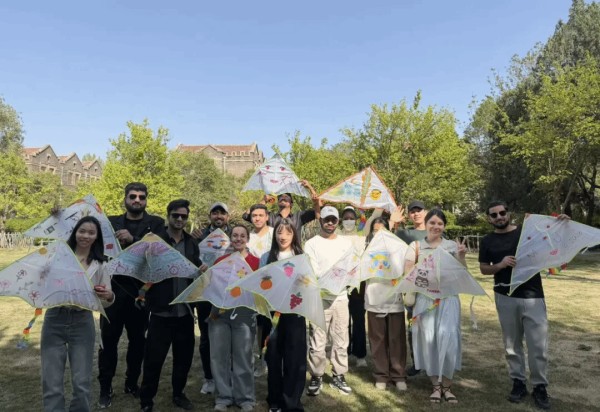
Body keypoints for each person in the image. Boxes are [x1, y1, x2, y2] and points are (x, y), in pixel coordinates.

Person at [479, 201, 569, 410]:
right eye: (494, 215)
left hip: (532, 296)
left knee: (538, 345)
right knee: (512, 345)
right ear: (489, 219)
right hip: (504, 296)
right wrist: (500, 265)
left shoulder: (526, 232)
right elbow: (484, 268)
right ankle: (518, 383)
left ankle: (539, 386)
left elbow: (552, 236)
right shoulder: (487, 241)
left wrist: (562, 222)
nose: (499, 217)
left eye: (502, 212)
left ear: (508, 213)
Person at [99, 182, 166, 408]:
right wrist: (58, 215)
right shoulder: (110, 222)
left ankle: (131, 382)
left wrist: (134, 241)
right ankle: (105, 387)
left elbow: (159, 252)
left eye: (141, 197)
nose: (137, 200)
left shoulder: (156, 223)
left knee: (138, 342)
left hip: (141, 292)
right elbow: (83, 231)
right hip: (112, 292)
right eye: (133, 196)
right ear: (125, 198)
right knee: (108, 342)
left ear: (146, 200)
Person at [41, 216, 115, 412]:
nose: (86, 236)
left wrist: (108, 296)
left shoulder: (100, 264)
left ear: (97, 237)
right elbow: (42, 283)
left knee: (81, 383)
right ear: (75, 233)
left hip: (82, 321)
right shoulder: (58, 257)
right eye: (82, 231)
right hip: (54, 319)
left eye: (91, 232)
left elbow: (106, 299)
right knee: (51, 381)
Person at [139, 199, 200, 412]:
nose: (180, 219)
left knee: (183, 359)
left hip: (184, 312)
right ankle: (147, 400)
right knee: (153, 360)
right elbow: (143, 268)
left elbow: (194, 269)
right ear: (168, 216)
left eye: (184, 216)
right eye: (176, 215)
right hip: (161, 311)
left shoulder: (191, 243)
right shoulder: (155, 241)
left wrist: (200, 271)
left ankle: (178, 394)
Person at [403, 209, 466, 404]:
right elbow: (408, 274)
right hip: (425, 300)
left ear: (444, 226)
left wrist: (461, 256)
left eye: (440, 223)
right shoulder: (415, 246)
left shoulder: (452, 246)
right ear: (426, 224)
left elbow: (462, 274)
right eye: (432, 223)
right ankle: (436, 387)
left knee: (449, 339)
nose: (436, 226)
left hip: (448, 299)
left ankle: (447, 386)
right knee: (428, 340)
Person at [210, 224, 260, 412]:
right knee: (219, 356)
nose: (238, 239)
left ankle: (245, 398)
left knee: (243, 356)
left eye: (242, 235)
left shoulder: (257, 263)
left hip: (244, 314)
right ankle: (223, 397)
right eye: (235, 235)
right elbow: (212, 288)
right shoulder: (220, 261)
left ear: (248, 239)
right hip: (220, 313)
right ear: (230, 238)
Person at [305, 206, 353, 396]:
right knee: (317, 339)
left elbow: (350, 268)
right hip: (319, 297)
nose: (330, 223)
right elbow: (313, 270)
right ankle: (316, 375)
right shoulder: (312, 244)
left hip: (341, 297)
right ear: (321, 221)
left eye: (333, 219)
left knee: (341, 338)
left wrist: (342, 280)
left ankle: (339, 375)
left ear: (337, 221)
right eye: (327, 219)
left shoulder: (346, 243)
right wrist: (331, 279)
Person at [262, 219, 307, 412]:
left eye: (288, 232)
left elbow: (308, 285)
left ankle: (291, 402)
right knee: (273, 357)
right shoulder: (267, 256)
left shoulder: (301, 256)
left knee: (294, 359)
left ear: (294, 235)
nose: (283, 236)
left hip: (295, 313)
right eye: (280, 232)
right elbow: (261, 283)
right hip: (272, 313)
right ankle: (274, 401)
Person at [191, 202, 232, 394]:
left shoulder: (235, 235)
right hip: (206, 294)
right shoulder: (199, 236)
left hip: (228, 294)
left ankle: (227, 375)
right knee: (206, 337)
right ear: (210, 217)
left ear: (227, 217)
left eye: (222, 213)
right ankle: (209, 378)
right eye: (215, 213)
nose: (218, 216)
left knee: (229, 337)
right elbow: (192, 260)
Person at [364, 217, 408, 392]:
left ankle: (398, 375)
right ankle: (381, 375)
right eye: (375, 231)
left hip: (394, 300)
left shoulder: (398, 248)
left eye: (383, 230)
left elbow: (408, 268)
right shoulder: (366, 249)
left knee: (397, 339)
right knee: (378, 339)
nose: (379, 234)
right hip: (374, 299)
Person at [390, 200, 428, 376]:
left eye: (419, 210)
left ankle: (433, 361)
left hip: (432, 289)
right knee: (414, 326)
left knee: (432, 326)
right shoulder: (404, 234)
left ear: (426, 212)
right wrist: (392, 222)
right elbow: (386, 241)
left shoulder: (435, 231)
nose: (416, 214)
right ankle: (417, 362)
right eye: (413, 211)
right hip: (412, 288)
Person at [338, 206, 367, 368]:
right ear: (341, 220)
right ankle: (344, 351)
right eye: (346, 218)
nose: (349, 221)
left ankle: (360, 354)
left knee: (358, 319)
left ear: (356, 220)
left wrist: (362, 207)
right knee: (342, 320)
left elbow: (371, 217)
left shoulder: (361, 232)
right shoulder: (337, 234)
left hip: (358, 282)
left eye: (351, 218)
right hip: (341, 281)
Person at [246, 203, 274, 377]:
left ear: (267, 217)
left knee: (271, 324)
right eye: (254, 215)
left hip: (273, 286)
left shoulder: (275, 233)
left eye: (260, 215)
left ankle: (271, 359)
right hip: (253, 286)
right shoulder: (247, 237)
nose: (257, 218)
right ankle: (261, 360)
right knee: (258, 325)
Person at [242, 180, 320, 235]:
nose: (283, 197)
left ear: (291, 204)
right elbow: (246, 216)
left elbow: (320, 210)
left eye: (286, 196)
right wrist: (263, 201)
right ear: (278, 202)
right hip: (275, 253)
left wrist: (310, 188)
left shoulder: (299, 217)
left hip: (294, 253)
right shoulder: (270, 217)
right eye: (280, 196)